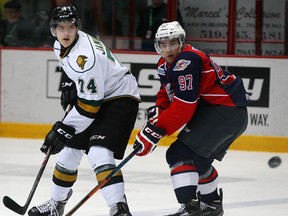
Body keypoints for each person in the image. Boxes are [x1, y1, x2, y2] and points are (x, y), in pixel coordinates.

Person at [28, 5, 141, 216]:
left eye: (71, 27)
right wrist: (72, 84)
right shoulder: (59, 45)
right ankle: (56, 204)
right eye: (61, 27)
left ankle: (119, 208)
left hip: (119, 96)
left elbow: (90, 106)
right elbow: (79, 79)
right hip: (98, 94)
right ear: (53, 30)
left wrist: (63, 129)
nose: (66, 32)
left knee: (99, 151)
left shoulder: (86, 57)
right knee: (68, 153)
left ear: (78, 27)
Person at [134, 21, 249, 216]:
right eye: (163, 44)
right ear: (157, 45)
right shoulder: (165, 64)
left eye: (172, 43)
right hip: (227, 113)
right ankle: (211, 206)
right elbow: (167, 93)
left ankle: (190, 207)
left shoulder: (187, 60)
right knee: (198, 160)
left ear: (181, 42)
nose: (168, 49)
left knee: (178, 154)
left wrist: (157, 129)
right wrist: (158, 114)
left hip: (225, 112)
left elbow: (184, 106)